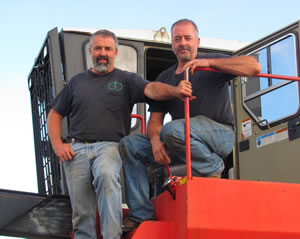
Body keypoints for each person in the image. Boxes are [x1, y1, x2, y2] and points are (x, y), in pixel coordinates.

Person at [47, 29, 193, 239]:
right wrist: (58, 145)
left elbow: (151, 89)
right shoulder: (76, 82)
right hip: (76, 149)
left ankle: (112, 236)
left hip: (109, 146)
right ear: (91, 51)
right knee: (81, 210)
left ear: (115, 52)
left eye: (107, 48)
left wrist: (175, 90)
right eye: (98, 48)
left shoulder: (126, 80)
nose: (102, 53)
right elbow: (55, 113)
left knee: (106, 177)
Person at [119, 19, 261, 232]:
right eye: (177, 39)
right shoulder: (165, 78)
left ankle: (213, 167)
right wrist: (155, 141)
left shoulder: (212, 62)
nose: (182, 43)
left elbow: (254, 67)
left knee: (173, 129)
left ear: (197, 41)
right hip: (182, 141)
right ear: (172, 44)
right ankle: (140, 213)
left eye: (187, 38)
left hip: (220, 136)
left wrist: (210, 63)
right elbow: (155, 121)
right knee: (130, 144)